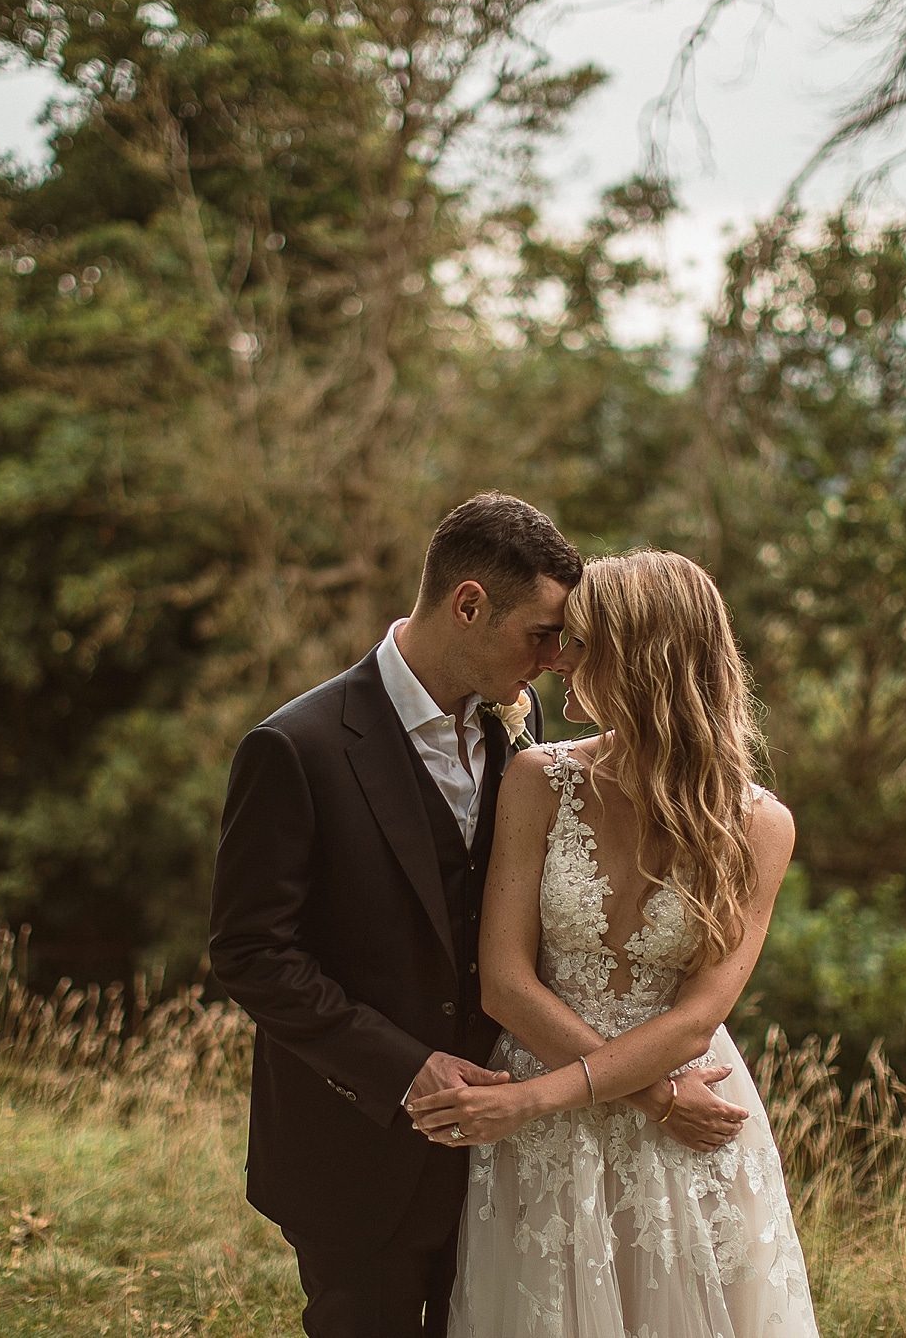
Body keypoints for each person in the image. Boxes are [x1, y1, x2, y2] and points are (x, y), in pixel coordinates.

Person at [409, 549, 820, 1336]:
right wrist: (648, 1098)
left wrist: (532, 1099)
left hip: (687, 1113)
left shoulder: (760, 825)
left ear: (641, 663)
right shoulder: (538, 778)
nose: (556, 660)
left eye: (579, 643)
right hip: (566, 1109)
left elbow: (698, 1019)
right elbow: (503, 981)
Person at [207, 492, 583, 1337]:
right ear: (469, 605)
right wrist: (406, 1069)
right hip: (352, 1148)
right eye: (541, 633)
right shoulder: (294, 747)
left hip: (502, 1149)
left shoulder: (518, 739)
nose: (556, 659)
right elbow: (250, 952)